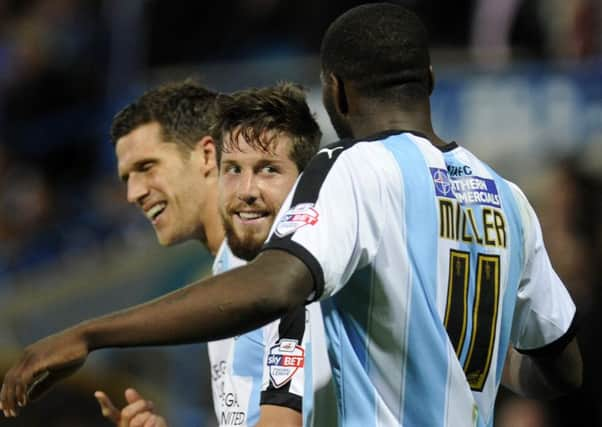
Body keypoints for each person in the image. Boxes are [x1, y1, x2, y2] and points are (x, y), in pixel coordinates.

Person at [1, 4, 582, 426]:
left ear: (335, 94)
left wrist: (90, 333)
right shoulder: (507, 198)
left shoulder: (353, 168)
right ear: (427, 81)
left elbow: (278, 286)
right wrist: (465, 370)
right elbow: (562, 370)